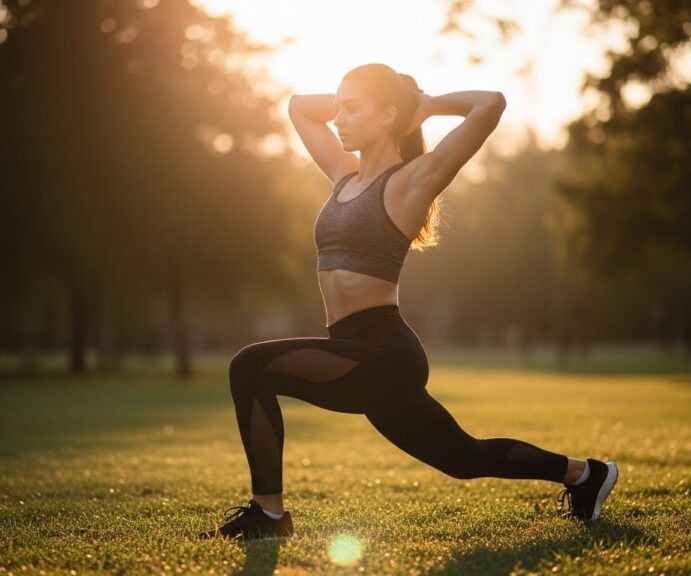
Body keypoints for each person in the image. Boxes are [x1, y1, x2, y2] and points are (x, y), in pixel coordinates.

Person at [197, 63, 618, 540]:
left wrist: (425, 106)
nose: (338, 118)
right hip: (352, 348)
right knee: (465, 458)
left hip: (385, 353)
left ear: (388, 116)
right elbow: (298, 108)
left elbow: (491, 104)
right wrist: (357, 97)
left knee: (249, 367)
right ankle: (587, 475)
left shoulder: (412, 182)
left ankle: (269, 516)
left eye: (351, 109)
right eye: (338, 108)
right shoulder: (343, 173)